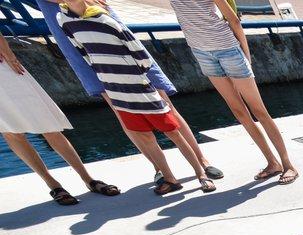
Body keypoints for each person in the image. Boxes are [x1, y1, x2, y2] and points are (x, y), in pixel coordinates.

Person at [34, 0, 222, 184]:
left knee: (163, 101)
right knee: (122, 110)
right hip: (71, 31)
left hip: (98, 15)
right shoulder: (62, 20)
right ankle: (159, 169)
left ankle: (201, 161)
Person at [168, 0, 298, 184]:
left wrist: (246, 55)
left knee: (259, 110)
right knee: (239, 112)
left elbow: (233, 20)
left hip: (229, 49)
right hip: (202, 53)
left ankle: (288, 164)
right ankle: (272, 162)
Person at [0, 30, 118, 205]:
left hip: (6, 67)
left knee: (49, 126)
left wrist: (10, 56)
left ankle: (88, 179)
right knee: (11, 132)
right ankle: (53, 185)